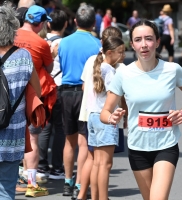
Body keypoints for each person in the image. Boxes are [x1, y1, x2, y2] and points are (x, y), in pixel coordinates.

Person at [100, 19, 182, 200]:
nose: (144, 45)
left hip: (166, 145)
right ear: (132, 44)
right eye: (138, 40)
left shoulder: (172, 70)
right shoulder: (124, 74)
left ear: (158, 42)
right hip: (138, 148)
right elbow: (104, 112)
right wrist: (112, 117)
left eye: (149, 39)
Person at [0, 5, 40, 200]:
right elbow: (37, 91)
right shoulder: (23, 56)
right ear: (12, 28)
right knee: (5, 192)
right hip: (11, 135)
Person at [58, 4, 101, 199]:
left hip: (66, 93)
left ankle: (66, 182)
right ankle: (79, 184)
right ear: (93, 23)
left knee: (69, 140)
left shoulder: (63, 42)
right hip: (87, 94)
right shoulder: (97, 44)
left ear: (75, 21)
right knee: (84, 143)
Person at [77, 26, 125, 200]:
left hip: (92, 116)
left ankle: (96, 196)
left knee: (97, 162)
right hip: (106, 118)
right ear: (110, 52)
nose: (123, 56)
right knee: (105, 164)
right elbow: (117, 93)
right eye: (121, 52)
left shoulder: (96, 64)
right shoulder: (111, 71)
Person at [14, 4, 55, 197]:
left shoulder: (9, 36)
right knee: (32, 141)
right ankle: (31, 184)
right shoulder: (41, 43)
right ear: (39, 24)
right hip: (32, 98)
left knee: (11, 140)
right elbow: (49, 67)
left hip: (8, 97)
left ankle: (14, 180)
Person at [37, 10, 68, 181]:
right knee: (60, 129)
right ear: (65, 24)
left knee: (43, 127)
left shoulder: (41, 41)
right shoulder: (66, 43)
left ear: (48, 24)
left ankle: (41, 165)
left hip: (43, 88)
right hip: (61, 87)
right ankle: (57, 167)